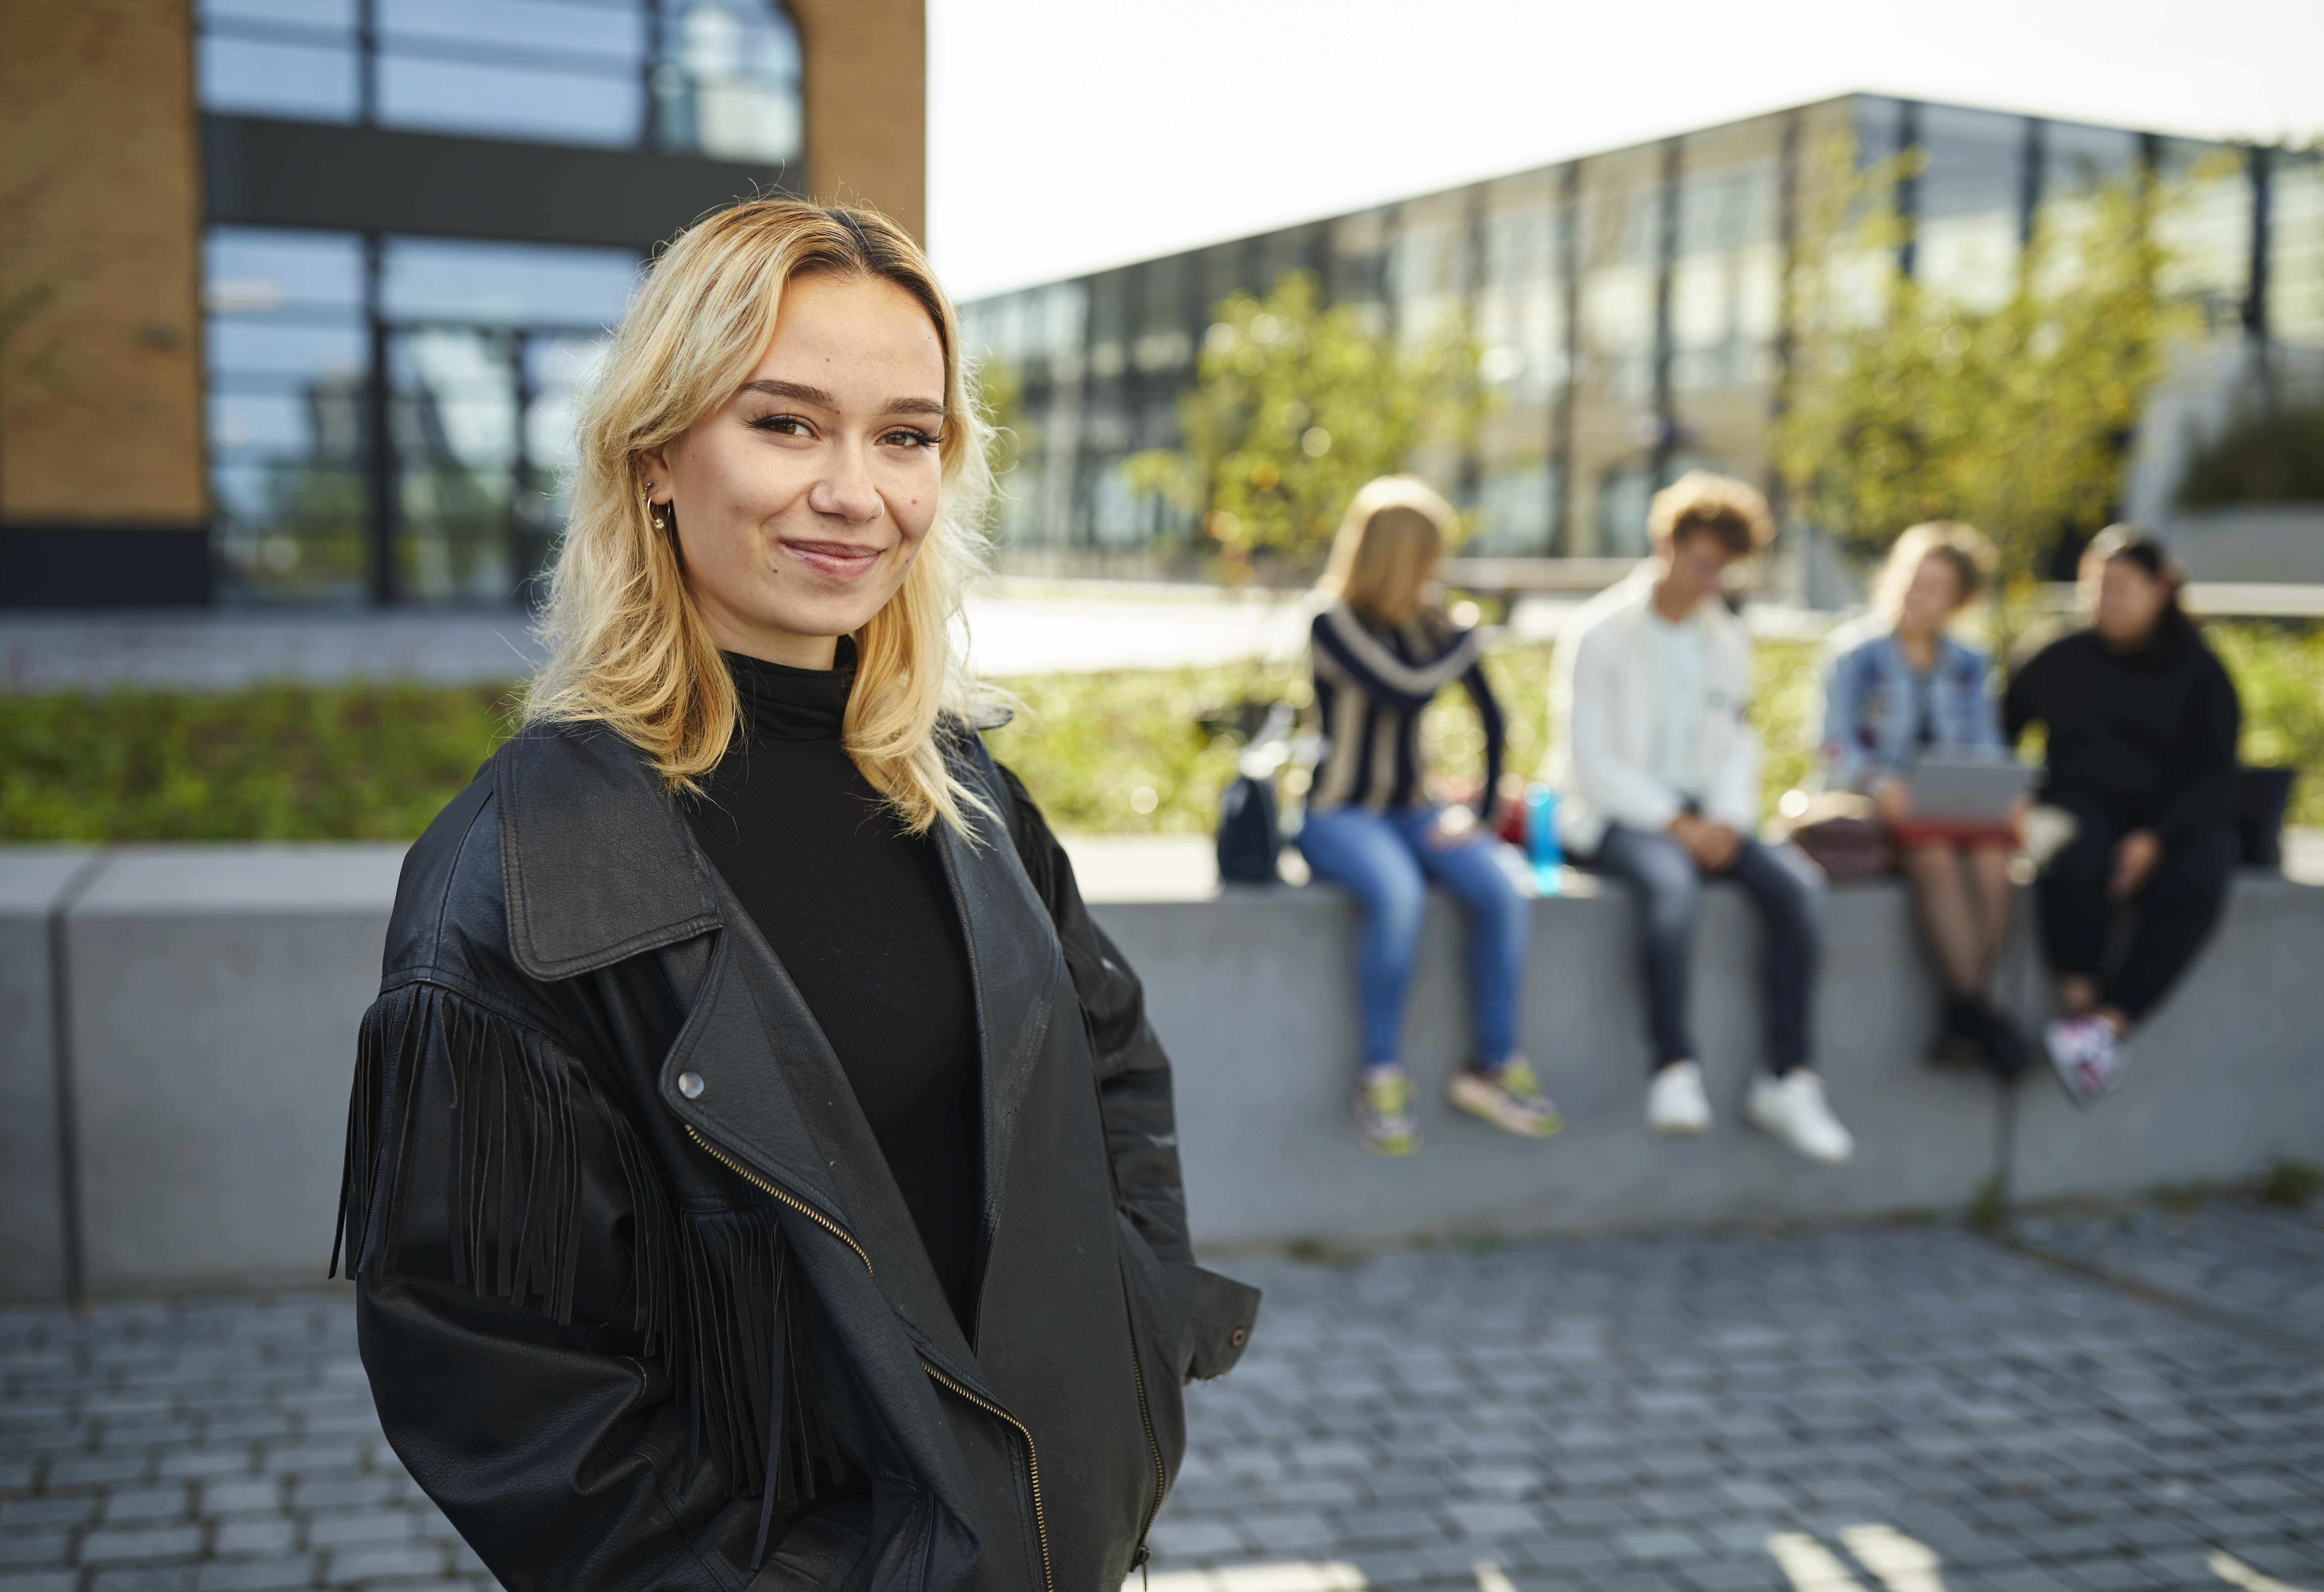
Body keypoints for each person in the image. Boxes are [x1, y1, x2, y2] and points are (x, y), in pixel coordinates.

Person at [332, 200, 1260, 1592]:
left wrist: (1138, 1345)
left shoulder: (957, 785)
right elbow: (498, 1380)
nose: (857, 491)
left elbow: (1109, 1058)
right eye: (784, 423)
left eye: (905, 435)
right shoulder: (521, 871)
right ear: (655, 456)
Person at [1551, 471, 1854, 1163]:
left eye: (1724, 568)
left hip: (1704, 816)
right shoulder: (1597, 634)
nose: (1712, 579)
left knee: (1798, 892)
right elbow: (1591, 762)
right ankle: (1672, 1068)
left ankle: (1787, 1078)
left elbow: (1737, 744)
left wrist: (1721, 820)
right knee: (1670, 887)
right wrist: (1674, 824)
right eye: (1702, 562)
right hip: (1615, 815)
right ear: (1667, 544)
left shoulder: (1726, 639)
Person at [1299, 476, 1556, 1157]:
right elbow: (1400, 685)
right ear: (1399, 554)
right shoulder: (1333, 623)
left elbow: (1493, 718)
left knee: (1502, 890)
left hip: (1416, 813)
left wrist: (1476, 811)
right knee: (1398, 895)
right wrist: (1465, 641)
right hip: (1338, 815)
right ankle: (1379, 1073)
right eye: (1429, 554)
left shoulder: (1433, 626)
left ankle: (1493, 1064)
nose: (1437, 570)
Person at [2005, 527, 2241, 1105]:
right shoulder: (2054, 655)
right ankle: (2079, 1009)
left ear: (2160, 590)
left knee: (2202, 873)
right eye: (2094, 586)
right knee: (2072, 851)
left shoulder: (2200, 671)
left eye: (2119, 587)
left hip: (2168, 816)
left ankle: (2109, 1024)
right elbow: (1998, 735)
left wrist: (2155, 839)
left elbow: (2214, 773)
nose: (2103, 599)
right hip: (2075, 802)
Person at [1819, 523, 2025, 1076]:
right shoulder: (1855, 654)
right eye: (1912, 580)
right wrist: (1879, 785)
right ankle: (1978, 1014)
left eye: (1934, 587)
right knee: (1932, 852)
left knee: (1992, 861)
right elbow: (1833, 747)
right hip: (1878, 804)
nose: (1917, 595)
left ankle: (1966, 1013)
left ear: (1958, 600)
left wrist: (2000, 788)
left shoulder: (1967, 662)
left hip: (1950, 803)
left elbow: (1984, 741)